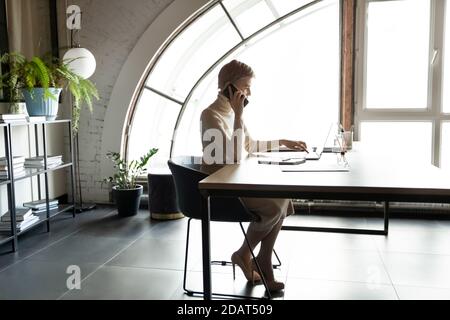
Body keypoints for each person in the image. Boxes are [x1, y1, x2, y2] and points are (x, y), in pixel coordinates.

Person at [200, 60, 308, 292]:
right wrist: (239, 116)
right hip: (221, 190)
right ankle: (248, 256)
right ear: (230, 87)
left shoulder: (230, 112)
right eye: (246, 86)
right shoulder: (210, 115)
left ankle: (258, 259)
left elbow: (249, 144)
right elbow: (233, 158)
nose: (249, 92)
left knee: (284, 198)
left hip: (236, 182)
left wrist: (283, 142)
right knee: (275, 205)